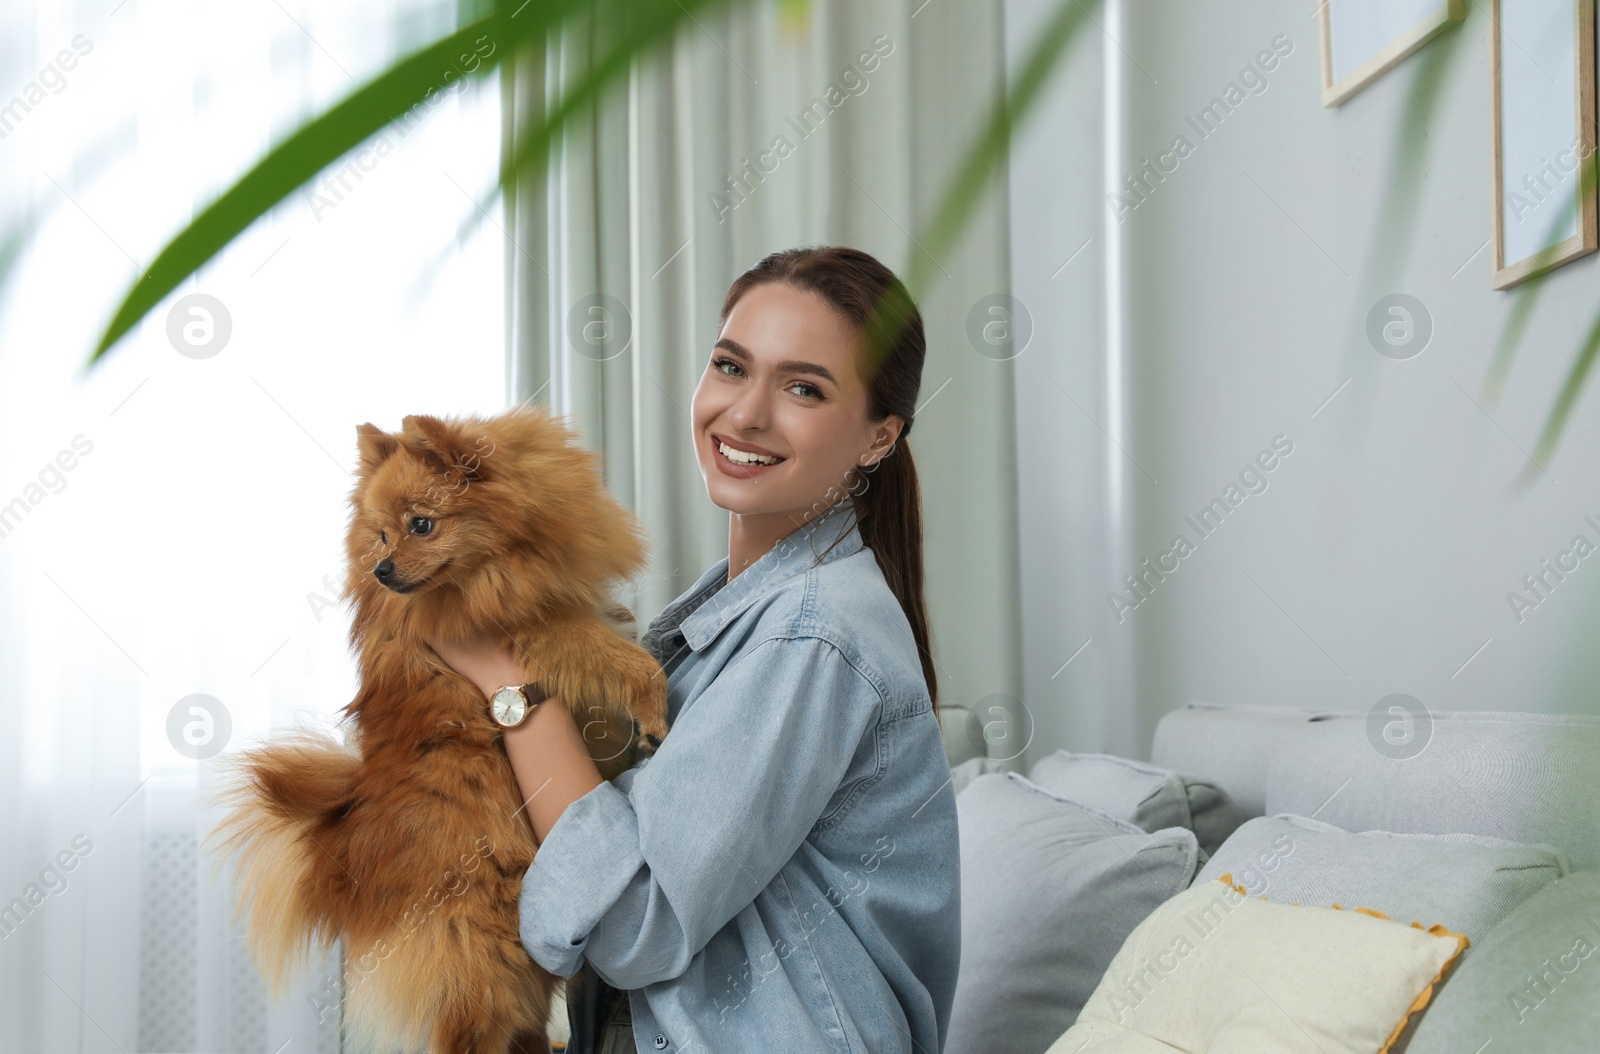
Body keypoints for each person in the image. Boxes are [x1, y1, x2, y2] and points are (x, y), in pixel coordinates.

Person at [426, 245, 960, 1054]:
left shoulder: (812, 634)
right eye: (730, 366)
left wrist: (508, 680)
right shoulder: (732, 610)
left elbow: (634, 921)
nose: (745, 415)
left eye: (804, 388)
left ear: (878, 437)